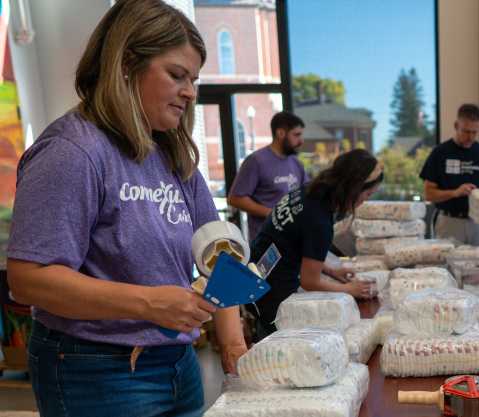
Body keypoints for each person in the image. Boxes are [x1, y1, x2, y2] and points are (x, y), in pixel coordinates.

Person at [5, 1, 246, 415]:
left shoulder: (174, 157)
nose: (189, 92)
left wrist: (234, 345)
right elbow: (28, 279)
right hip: (94, 369)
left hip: (177, 363)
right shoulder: (73, 152)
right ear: (127, 62)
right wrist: (148, 303)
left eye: (194, 80)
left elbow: (221, 260)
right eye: (177, 75)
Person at [245, 149, 378, 337]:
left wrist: (330, 270)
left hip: (258, 271)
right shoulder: (320, 222)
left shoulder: (307, 191)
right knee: (278, 345)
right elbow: (309, 281)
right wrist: (348, 289)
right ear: (354, 189)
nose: (367, 200)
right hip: (272, 288)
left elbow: (297, 243)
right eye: (368, 194)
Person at [420, 103, 479, 252]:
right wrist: (455, 192)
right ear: (456, 125)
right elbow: (428, 193)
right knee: (447, 268)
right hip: (449, 222)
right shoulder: (440, 153)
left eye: (474, 132)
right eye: (466, 132)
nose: (470, 137)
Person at [228, 111, 310, 242]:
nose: (301, 140)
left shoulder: (296, 163)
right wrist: (274, 214)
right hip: (265, 244)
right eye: (296, 135)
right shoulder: (256, 161)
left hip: (292, 242)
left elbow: (307, 194)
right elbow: (235, 199)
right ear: (280, 133)